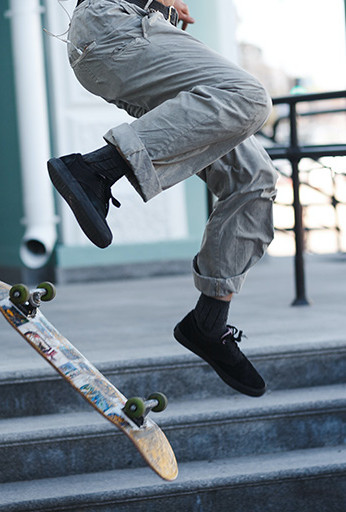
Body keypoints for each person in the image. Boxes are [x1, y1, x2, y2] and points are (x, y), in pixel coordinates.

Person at [47, 0, 278, 397]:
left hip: (128, 39)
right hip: (114, 26)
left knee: (253, 177)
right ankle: (98, 168)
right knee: (248, 96)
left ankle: (208, 323)